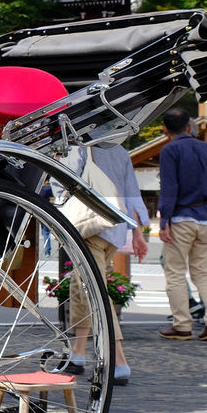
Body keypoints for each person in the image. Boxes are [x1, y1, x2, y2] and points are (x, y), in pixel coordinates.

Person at [59, 143, 147, 386]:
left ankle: (118, 360)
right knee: (80, 287)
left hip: (89, 226)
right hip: (114, 228)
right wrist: (137, 232)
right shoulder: (120, 152)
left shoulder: (78, 148)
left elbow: (62, 185)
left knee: (94, 291)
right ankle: (77, 353)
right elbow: (132, 193)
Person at [157, 108, 207, 341]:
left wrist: (164, 222)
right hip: (206, 218)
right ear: (189, 127)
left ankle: (182, 325)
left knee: (176, 273)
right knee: (202, 272)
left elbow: (169, 189)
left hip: (180, 218)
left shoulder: (169, 150)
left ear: (165, 130)